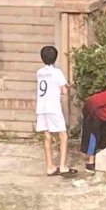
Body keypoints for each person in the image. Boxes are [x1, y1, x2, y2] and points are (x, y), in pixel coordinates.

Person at [35, 46, 76, 177]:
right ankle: (63, 166)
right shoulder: (57, 72)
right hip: (53, 107)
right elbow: (63, 91)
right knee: (63, 135)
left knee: (47, 136)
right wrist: (67, 86)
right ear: (55, 57)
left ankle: (50, 166)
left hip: (41, 107)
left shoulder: (39, 72)